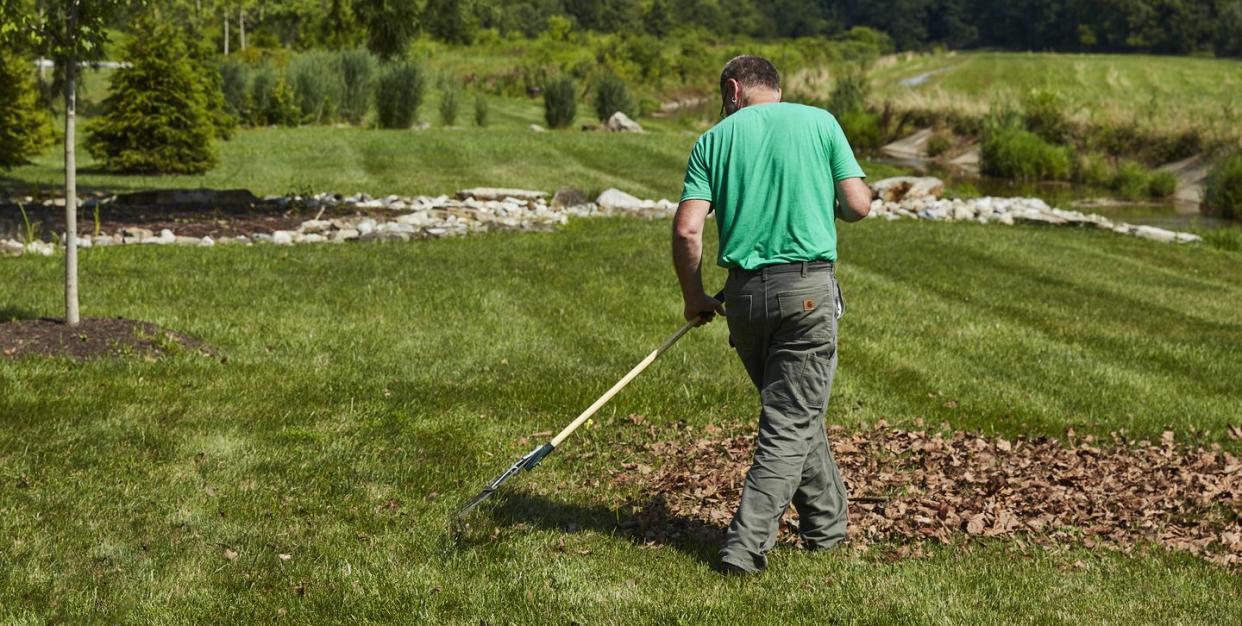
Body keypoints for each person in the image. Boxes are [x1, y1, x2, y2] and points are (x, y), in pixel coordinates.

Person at [671, 55, 873, 576]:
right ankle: (744, 548)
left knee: (795, 413)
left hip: (743, 300)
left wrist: (695, 297)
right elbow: (857, 206)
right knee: (790, 419)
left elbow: (688, 231)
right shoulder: (820, 122)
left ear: (734, 89)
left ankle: (827, 531)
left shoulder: (713, 140)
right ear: (772, 87)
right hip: (807, 291)